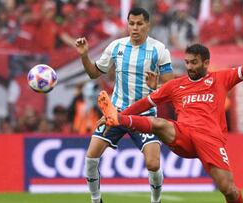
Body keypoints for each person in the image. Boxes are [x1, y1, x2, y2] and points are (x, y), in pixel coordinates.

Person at [97, 30, 243, 203]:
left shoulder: (221, 78)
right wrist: (117, 115)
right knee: (159, 123)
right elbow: (145, 104)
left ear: (206, 63)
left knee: (229, 189)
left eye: (194, 63)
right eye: (187, 62)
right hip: (183, 134)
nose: (189, 67)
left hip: (210, 138)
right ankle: (118, 119)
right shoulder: (175, 86)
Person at [74, 7, 174, 203]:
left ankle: (156, 201)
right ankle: (96, 200)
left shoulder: (159, 50)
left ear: (148, 25)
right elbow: (94, 73)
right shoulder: (116, 47)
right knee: (91, 157)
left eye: (139, 24)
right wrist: (84, 55)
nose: (134, 28)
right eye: (131, 23)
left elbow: (170, 88)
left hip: (144, 115)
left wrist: (156, 86)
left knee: (153, 164)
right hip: (116, 113)